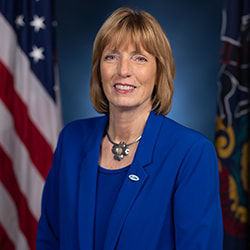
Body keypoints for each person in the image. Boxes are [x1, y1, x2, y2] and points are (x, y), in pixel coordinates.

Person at [36, 7, 223, 250]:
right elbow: (50, 240)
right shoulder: (71, 141)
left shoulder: (191, 153)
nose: (123, 70)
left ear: (159, 72)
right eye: (111, 56)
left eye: (140, 58)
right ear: (98, 69)